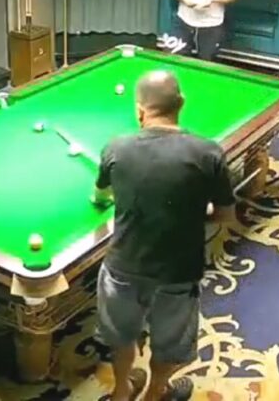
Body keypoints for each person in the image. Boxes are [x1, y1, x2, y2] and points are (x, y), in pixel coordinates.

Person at [91, 70, 236, 401]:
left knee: (121, 337)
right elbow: (226, 216)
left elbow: (100, 196)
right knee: (170, 343)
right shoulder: (209, 153)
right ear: (181, 104)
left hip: (123, 266)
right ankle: (157, 392)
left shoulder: (115, 147)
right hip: (178, 271)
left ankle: (121, 391)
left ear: (139, 110)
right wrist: (196, 211)